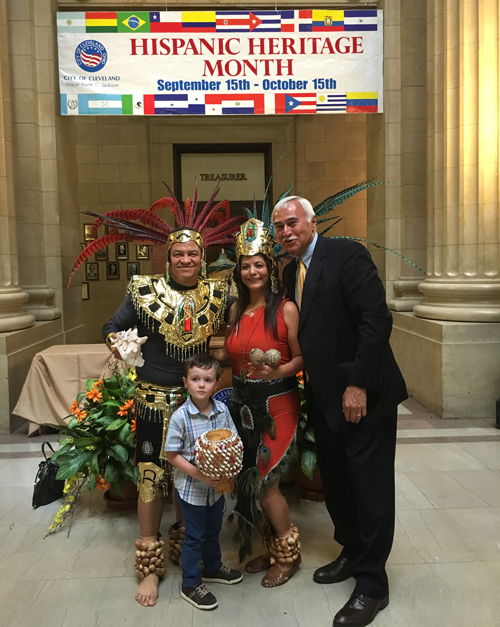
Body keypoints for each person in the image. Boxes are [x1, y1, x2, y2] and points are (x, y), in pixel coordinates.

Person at [273, 196, 407, 627]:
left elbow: (375, 320)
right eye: (279, 227)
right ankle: (351, 552)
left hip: (363, 395)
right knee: (337, 483)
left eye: (293, 223)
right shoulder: (291, 271)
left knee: (369, 488)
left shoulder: (347, 254)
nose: (287, 232)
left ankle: (372, 584)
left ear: (312, 223)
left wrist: (357, 384)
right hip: (325, 398)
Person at [102, 227, 230, 607]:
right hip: (154, 403)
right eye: (179, 254)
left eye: (193, 254)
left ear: (202, 257)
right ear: (168, 257)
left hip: (198, 406)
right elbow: (111, 327)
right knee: (151, 477)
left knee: (191, 477)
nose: (186, 260)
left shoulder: (218, 293)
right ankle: (150, 569)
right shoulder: (143, 290)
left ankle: (188, 550)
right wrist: (120, 343)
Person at [225, 217, 304, 588]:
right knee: (251, 482)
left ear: (269, 268)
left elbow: (303, 358)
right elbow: (232, 357)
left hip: (278, 405)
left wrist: (279, 371)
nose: (252, 271)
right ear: (238, 270)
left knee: (268, 483)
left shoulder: (286, 308)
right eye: (245, 265)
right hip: (244, 408)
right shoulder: (235, 310)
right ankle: (274, 548)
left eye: (259, 264)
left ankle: (289, 554)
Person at [165, 353, 243, 610]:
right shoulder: (180, 417)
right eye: (195, 379)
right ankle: (190, 582)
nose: (201, 384)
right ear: (185, 382)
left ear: (216, 383)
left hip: (216, 490)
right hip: (192, 491)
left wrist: (229, 470)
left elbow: (231, 440)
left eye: (207, 380)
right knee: (195, 536)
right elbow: (172, 454)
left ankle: (212, 567)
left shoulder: (222, 411)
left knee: (213, 530)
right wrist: (200, 475)